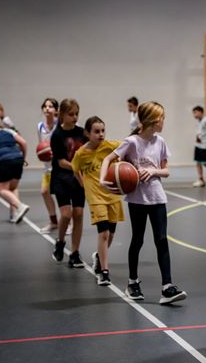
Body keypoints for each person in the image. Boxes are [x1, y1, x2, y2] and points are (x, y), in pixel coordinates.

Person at [100, 101, 187, 304]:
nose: (164, 122)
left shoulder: (161, 142)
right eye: (163, 118)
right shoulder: (131, 142)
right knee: (137, 240)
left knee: (161, 240)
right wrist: (103, 180)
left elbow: (166, 171)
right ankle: (132, 283)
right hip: (137, 199)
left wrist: (154, 171)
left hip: (157, 197)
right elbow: (107, 159)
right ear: (155, 121)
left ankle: (167, 287)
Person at [72, 116, 124, 286]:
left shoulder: (112, 146)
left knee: (112, 234)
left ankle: (98, 256)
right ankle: (104, 272)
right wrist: (84, 185)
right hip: (95, 197)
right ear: (87, 133)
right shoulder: (81, 154)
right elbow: (75, 170)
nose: (101, 134)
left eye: (103, 131)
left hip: (113, 195)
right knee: (104, 233)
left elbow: (128, 149)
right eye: (96, 131)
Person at [50, 98, 87, 268]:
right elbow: (60, 161)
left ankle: (74, 253)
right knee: (66, 215)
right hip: (61, 179)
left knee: (78, 214)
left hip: (78, 179)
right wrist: (75, 166)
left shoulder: (82, 133)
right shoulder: (57, 135)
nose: (74, 117)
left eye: (76, 114)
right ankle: (60, 241)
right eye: (71, 114)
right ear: (62, 115)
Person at [37, 98, 61, 233]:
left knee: (61, 195)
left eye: (51, 106)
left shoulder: (60, 125)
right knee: (44, 192)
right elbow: (41, 145)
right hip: (47, 167)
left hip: (59, 166)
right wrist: (42, 153)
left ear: (56, 110)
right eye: (45, 106)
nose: (47, 108)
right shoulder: (39, 126)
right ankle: (53, 222)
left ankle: (68, 222)